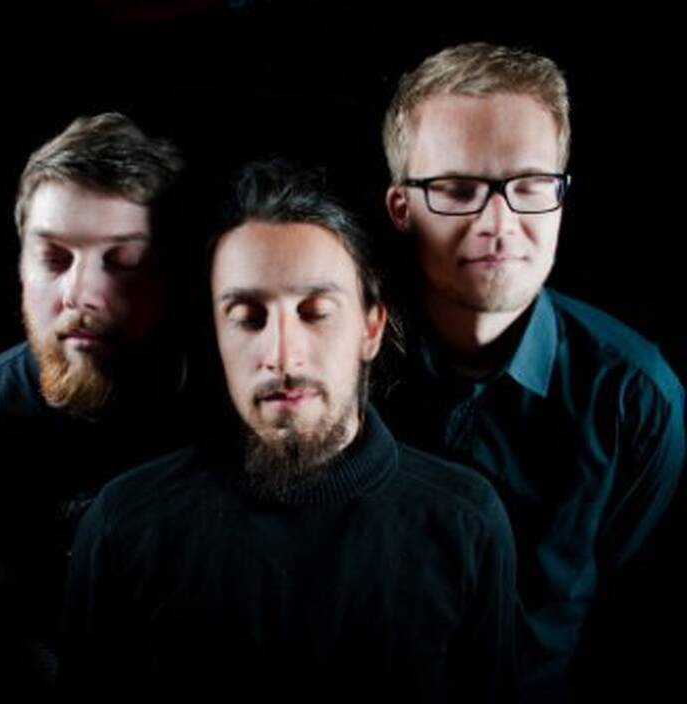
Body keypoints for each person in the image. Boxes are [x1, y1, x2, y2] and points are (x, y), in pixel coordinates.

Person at [61, 160, 517, 701]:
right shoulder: (125, 526)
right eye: (248, 317)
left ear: (371, 327)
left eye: (316, 312)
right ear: (217, 334)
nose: (282, 355)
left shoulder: (465, 523)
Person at [381, 42, 685, 701]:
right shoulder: (343, 368)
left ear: (561, 196)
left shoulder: (635, 394)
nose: (500, 224)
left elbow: (628, 606)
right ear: (401, 207)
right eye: (457, 189)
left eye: (528, 187)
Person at [0, 112, 187, 689]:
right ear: (21, 268)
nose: (80, 295)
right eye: (54, 259)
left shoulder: (229, 416)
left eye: (123, 262)